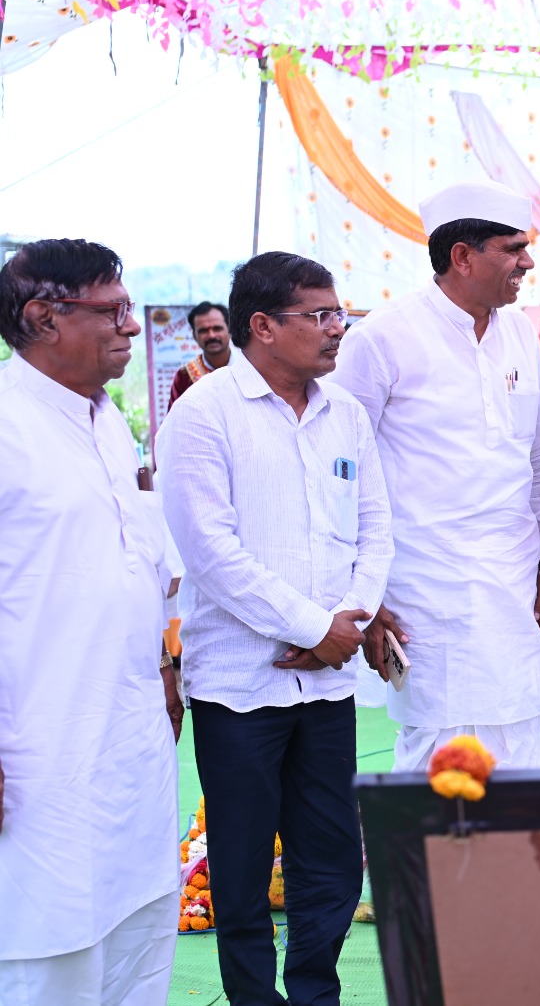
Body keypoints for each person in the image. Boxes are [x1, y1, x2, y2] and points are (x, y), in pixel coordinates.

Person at [159, 252, 393, 1006]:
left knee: (333, 859)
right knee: (241, 864)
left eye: (338, 314)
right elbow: (211, 552)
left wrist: (346, 622)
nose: (337, 329)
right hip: (239, 684)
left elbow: (376, 528)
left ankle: (315, 993)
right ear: (261, 325)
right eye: (319, 315)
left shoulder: (344, 412)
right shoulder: (204, 413)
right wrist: (314, 627)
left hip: (326, 682)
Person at [0, 239, 181, 1005]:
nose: (131, 327)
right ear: (45, 317)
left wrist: (166, 666)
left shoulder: (106, 420)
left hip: (130, 731)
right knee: (48, 947)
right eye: (113, 311)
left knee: (138, 934)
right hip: (39, 749)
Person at [331, 180, 540, 770]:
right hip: (424, 582)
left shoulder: (519, 332)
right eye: (514, 249)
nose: (527, 263)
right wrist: (364, 592)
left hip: (513, 575)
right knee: (441, 742)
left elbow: (538, 455)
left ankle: (515, 836)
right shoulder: (382, 338)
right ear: (462, 256)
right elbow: (340, 471)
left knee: (519, 727)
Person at [169, 299, 232, 404]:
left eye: (217, 328)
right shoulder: (184, 377)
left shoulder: (250, 366)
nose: (211, 335)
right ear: (194, 336)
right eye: (203, 331)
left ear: (230, 330)